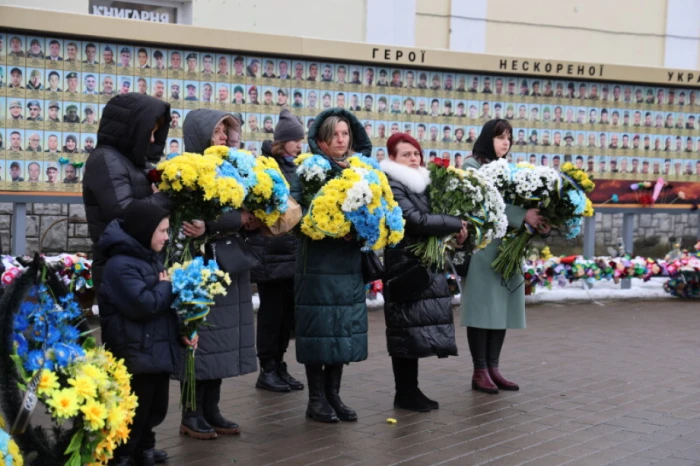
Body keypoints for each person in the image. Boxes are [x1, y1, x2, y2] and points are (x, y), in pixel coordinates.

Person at [180, 108, 258, 439]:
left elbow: (236, 216)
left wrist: (253, 216)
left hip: (229, 264)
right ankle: (191, 412)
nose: (224, 137)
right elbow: (194, 221)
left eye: (226, 131)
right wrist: (235, 219)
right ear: (200, 137)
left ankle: (212, 409)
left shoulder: (232, 170)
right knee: (201, 339)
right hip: (202, 266)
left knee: (222, 340)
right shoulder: (186, 172)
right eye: (216, 132)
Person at [99, 200, 192, 466]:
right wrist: (166, 287)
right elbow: (144, 304)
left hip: (154, 349)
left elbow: (161, 306)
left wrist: (184, 330)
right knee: (135, 408)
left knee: (155, 406)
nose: (166, 236)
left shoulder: (148, 258)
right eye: (162, 231)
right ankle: (123, 453)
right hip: (134, 351)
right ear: (144, 230)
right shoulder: (121, 265)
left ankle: (144, 447)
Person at [461, 119, 549, 395]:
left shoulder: (513, 170)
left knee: (501, 307)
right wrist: (521, 215)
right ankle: (479, 370)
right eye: (500, 136)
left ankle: (494, 368)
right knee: (482, 307)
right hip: (483, 247)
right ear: (488, 138)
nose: (505, 142)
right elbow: (481, 203)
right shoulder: (472, 166)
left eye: (509, 137)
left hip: (508, 247)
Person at [295, 108, 372, 423]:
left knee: (341, 329)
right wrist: (329, 224)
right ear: (321, 142)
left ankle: (334, 395)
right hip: (318, 265)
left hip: (348, 263)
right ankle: (316, 399)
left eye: (345, 134)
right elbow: (297, 213)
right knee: (319, 330)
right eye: (334, 135)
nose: (341, 140)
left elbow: (375, 208)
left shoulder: (362, 171)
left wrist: (365, 226)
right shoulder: (310, 171)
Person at [380, 133, 466, 412]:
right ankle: (403, 392)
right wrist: (454, 223)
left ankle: (411, 390)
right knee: (404, 328)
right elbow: (414, 221)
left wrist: (459, 233)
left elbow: (435, 221)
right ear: (392, 158)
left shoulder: (424, 185)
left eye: (416, 153)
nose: (414, 158)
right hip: (405, 263)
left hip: (424, 264)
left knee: (413, 329)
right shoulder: (392, 183)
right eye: (406, 154)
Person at [83, 93, 172, 293]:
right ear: (131, 129)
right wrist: (163, 198)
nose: (151, 140)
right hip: (118, 265)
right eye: (149, 132)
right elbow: (123, 211)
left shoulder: (134, 161)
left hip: (140, 260)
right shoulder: (105, 160)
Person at [249, 109, 305, 393]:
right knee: (271, 315)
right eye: (296, 140)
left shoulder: (296, 167)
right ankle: (267, 368)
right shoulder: (265, 166)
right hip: (270, 253)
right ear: (282, 141)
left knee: (286, 315)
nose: (300, 145)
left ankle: (279, 364)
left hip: (292, 253)